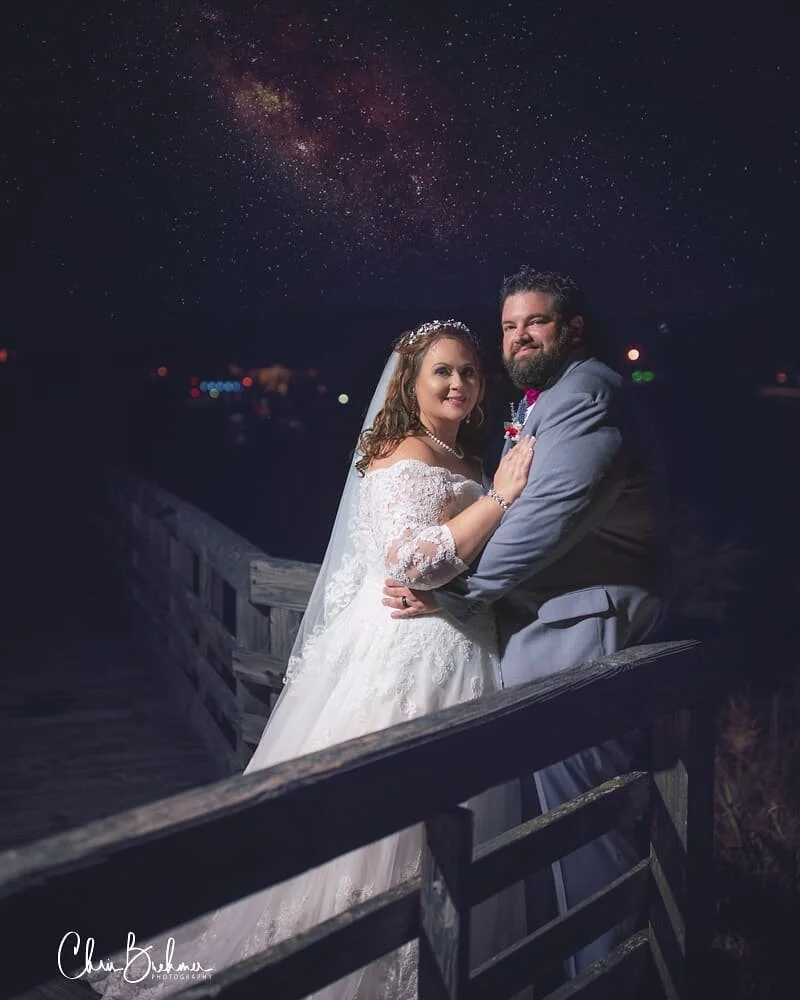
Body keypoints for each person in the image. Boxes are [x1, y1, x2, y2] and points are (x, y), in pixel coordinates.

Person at [86, 321, 534, 1000]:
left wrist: (467, 581)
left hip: (461, 649)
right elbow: (409, 561)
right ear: (410, 382)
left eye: (469, 372)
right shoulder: (401, 453)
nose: (458, 384)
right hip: (405, 661)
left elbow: (464, 567)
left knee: (458, 810)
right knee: (394, 816)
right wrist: (501, 499)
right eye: (442, 371)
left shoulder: (466, 457)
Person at [384, 269, 666, 979]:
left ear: (571, 328)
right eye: (509, 327)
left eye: (535, 323)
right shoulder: (542, 403)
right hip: (543, 635)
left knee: (590, 832)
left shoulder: (585, 396)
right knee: (553, 834)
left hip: (581, 632)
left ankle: (607, 981)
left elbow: (547, 518)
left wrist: (454, 593)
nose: (519, 336)